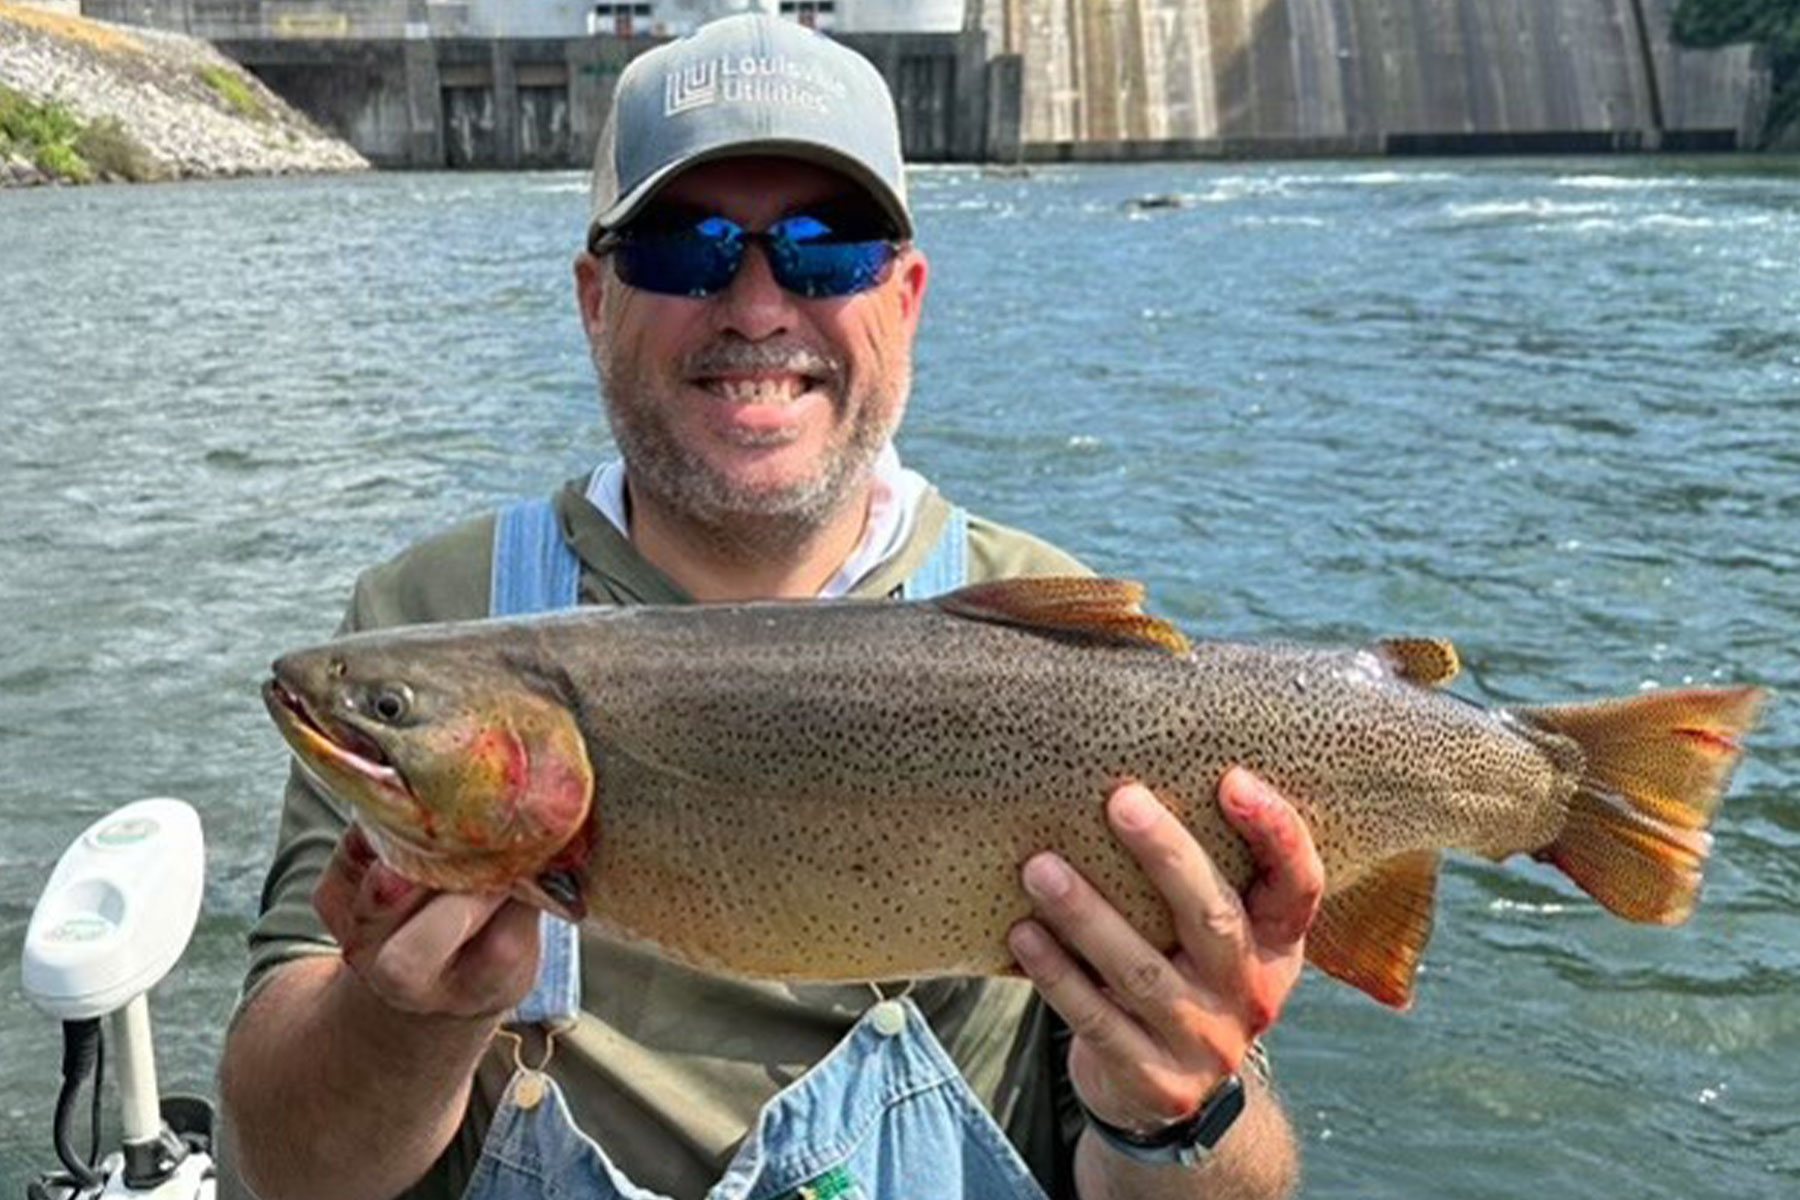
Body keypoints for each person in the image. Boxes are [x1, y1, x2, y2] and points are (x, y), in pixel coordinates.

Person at [219, 14, 1324, 1200]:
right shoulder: (430, 621)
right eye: (685, 248)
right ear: (596, 299)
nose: (756, 305)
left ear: (906, 298)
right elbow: (278, 1172)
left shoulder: (1066, 654)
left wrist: (1182, 1107)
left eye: (826, 245)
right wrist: (400, 1023)